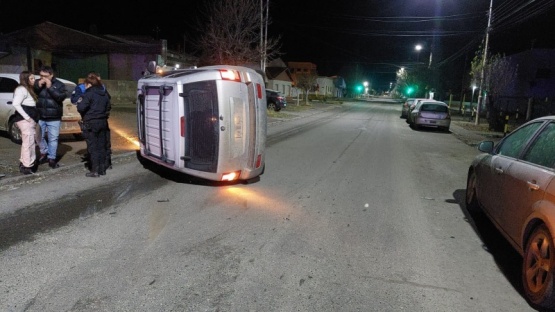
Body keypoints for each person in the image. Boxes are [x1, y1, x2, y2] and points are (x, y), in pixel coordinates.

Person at [71, 72, 112, 170]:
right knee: (102, 146)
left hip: (91, 122)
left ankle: (95, 170)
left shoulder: (88, 94)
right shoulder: (104, 93)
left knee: (93, 147)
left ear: (89, 84)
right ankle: (103, 169)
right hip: (103, 122)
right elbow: (108, 107)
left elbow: (80, 107)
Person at [34, 65, 67, 169]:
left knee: (53, 139)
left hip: (54, 117)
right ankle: (44, 152)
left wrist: (50, 87)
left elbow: (60, 97)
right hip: (40, 115)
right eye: (41, 75)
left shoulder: (60, 84)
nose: (43, 78)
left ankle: (51, 158)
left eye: (45, 76)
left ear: (51, 75)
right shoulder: (38, 82)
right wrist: (38, 86)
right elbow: (32, 93)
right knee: (38, 137)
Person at [12, 71, 39, 175]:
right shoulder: (21, 89)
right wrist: (27, 117)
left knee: (28, 143)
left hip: (28, 120)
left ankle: (25, 164)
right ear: (25, 79)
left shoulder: (28, 89)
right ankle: (27, 166)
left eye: (33, 78)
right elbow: (16, 104)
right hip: (25, 120)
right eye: (31, 79)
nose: (33, 80)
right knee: (29, 143)